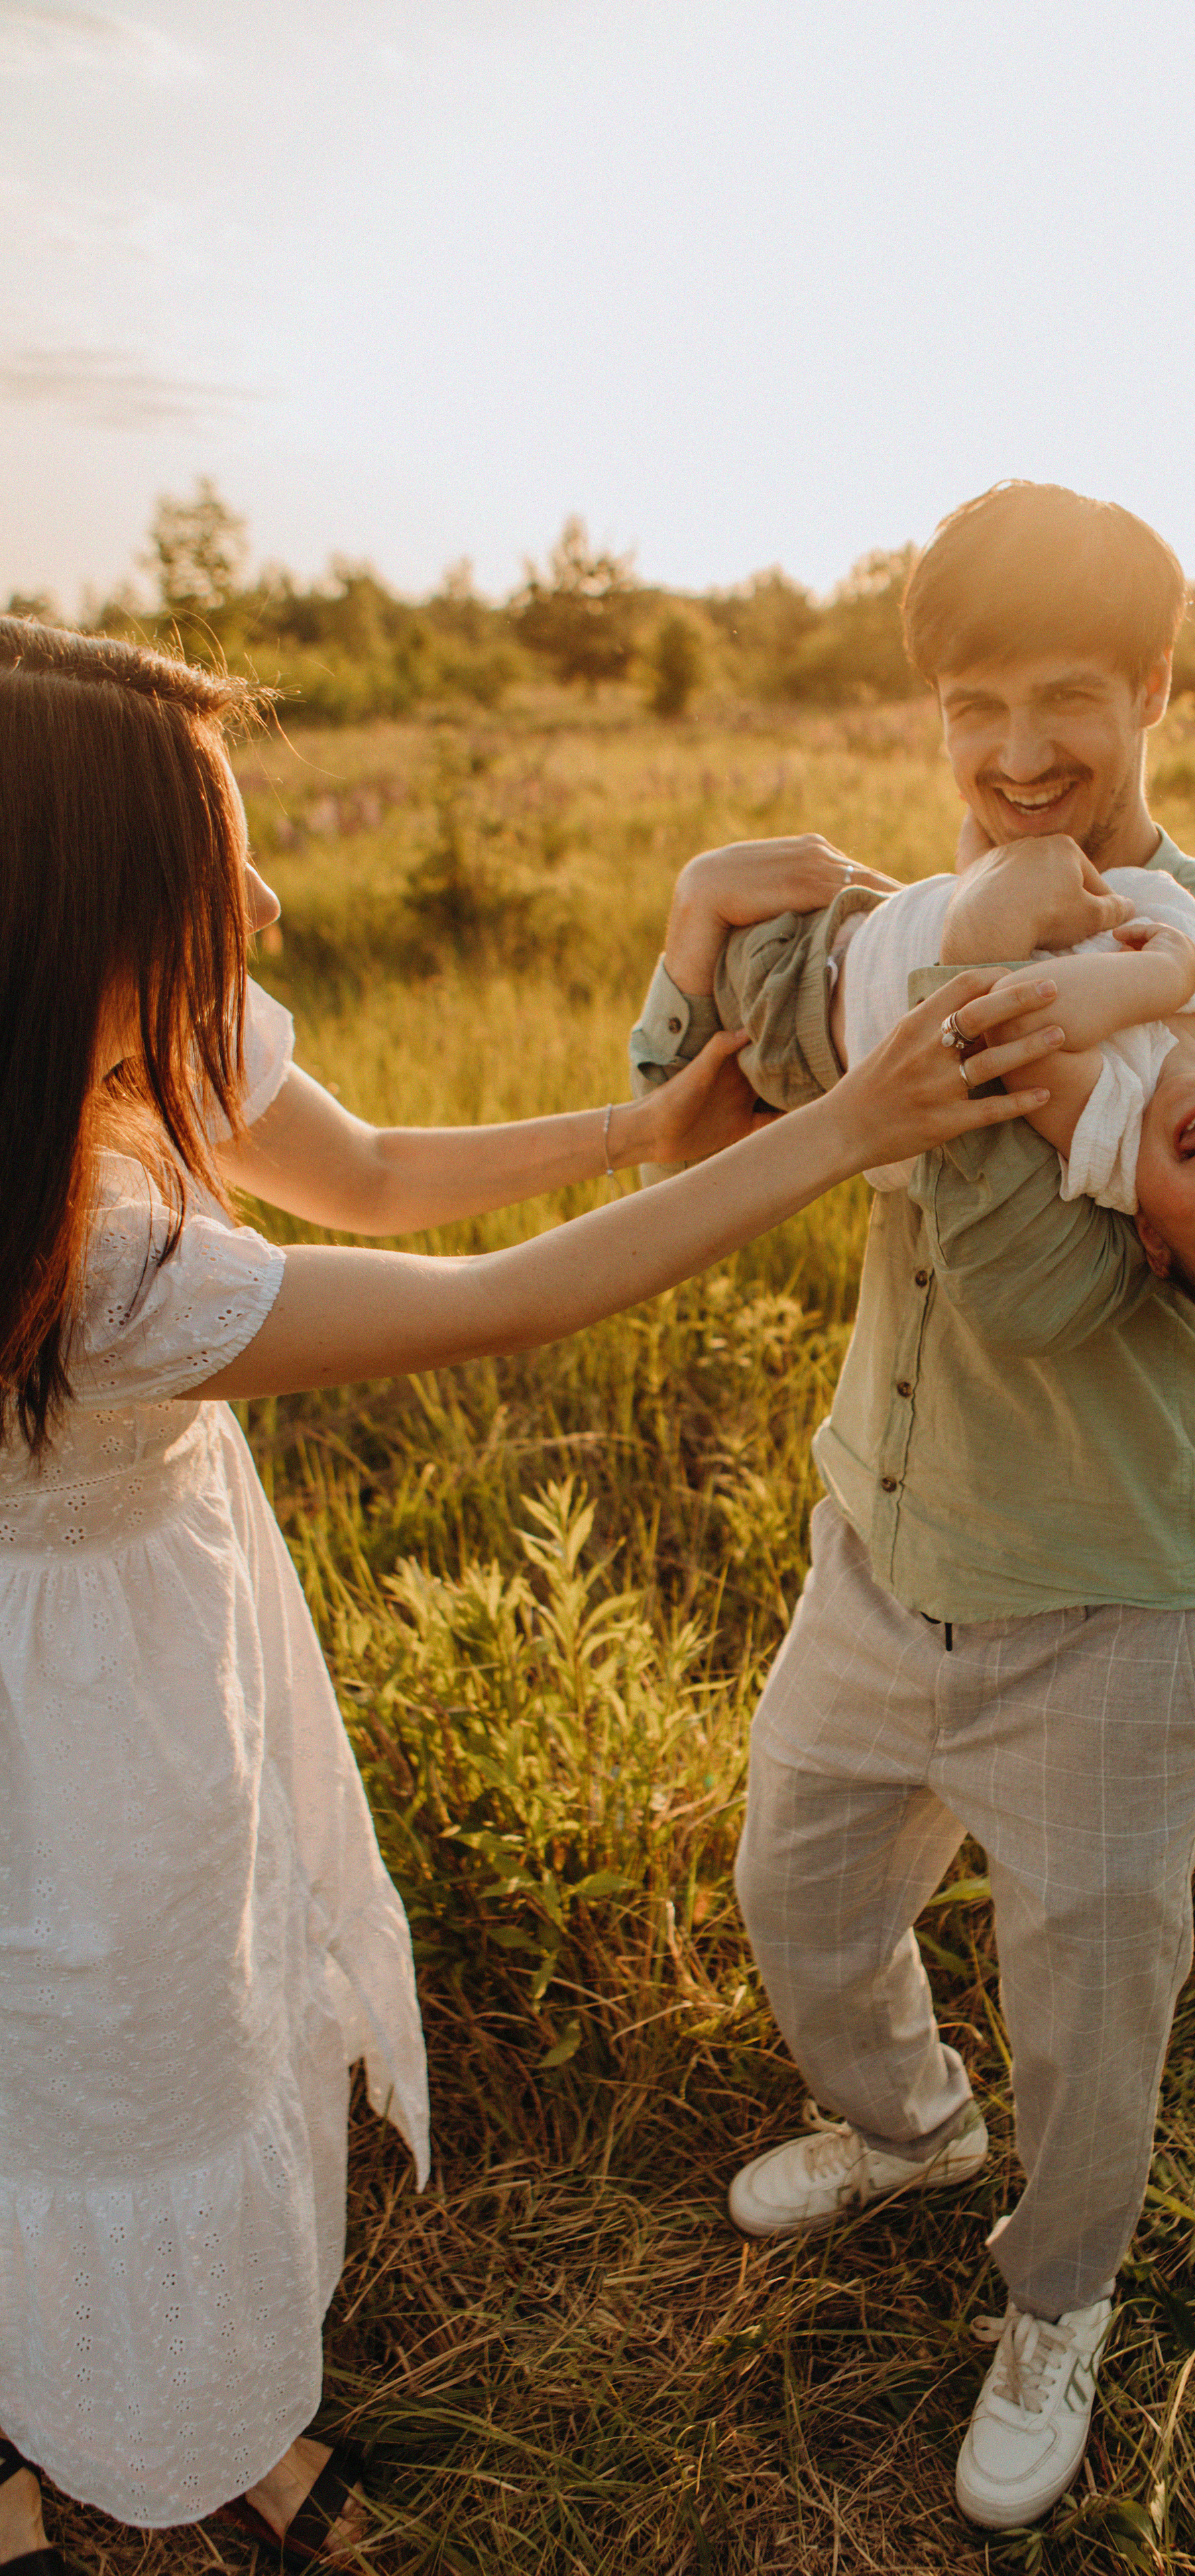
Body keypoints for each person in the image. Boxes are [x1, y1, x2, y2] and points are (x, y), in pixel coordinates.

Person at [0, 619, 1062, 2573]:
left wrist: (641, 1128)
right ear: (85, 913)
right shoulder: (102, 1266)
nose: (266, 893)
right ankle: (40, 2413)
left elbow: (385, 1171)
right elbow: (494, 1302)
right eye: (212, 865)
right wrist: (852, 1125)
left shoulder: (137, 1024)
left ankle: (187, 2404)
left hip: (160, 1649)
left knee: (168, 2008)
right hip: (49, 1692)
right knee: (56, 2045)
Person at [630, 481, 1195, 2531]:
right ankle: (902, 2123)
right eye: (975, 704)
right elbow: (697, 1073)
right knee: (799, 1896)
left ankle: (1058, 2294)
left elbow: (1053, 1290)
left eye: (1070, 697)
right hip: (882, 1542)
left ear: (1155, 691)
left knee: (1089, 1997)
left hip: (1110, 1600)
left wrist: (900, 1024)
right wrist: (708, 918)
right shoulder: (911, 925)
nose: (1020, 750)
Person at [667, 826, 1195, 1345]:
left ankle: (650, 1096)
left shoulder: (1110, 1133)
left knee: (682, 1055)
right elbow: (1116, 892)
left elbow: (1016, 1014)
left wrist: (1164, 974)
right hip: (874, 930)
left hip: (795, 1009)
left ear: (1153, 1239)